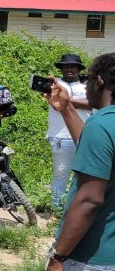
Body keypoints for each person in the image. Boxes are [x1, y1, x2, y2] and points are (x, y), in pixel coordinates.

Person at [40, 54, 115, 271]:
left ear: (100, 81)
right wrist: (67, 109)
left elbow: (89, 199)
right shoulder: (104, 127)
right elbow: (95, 150)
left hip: (87, 260)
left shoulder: (101, 124)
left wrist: (58, 257)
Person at [47, 53, 93, 209]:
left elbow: (91, 104)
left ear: (79, 69)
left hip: (85, 135)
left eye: (72, 66)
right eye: (65, 67)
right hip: (61, 137)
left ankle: (77, 207)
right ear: (61, 69)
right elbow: (56, 106)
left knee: (84, 174)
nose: (69, 69)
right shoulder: (54, 85)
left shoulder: (87, 85)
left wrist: (65, 100)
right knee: (61, 174)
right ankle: (57, 209)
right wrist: (61, 99)